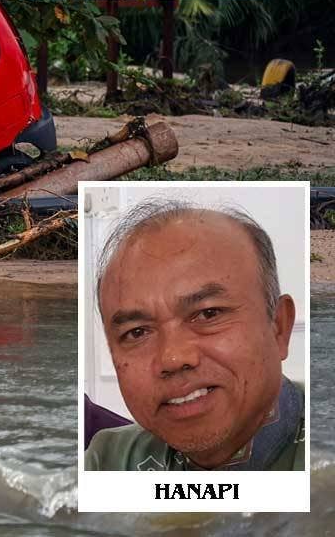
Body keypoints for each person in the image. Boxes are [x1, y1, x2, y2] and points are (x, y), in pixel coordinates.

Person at [84, 199, 304, 471]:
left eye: (208, 314)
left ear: (279, 327)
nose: (173, 358)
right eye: (137, 332)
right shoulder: (108, 461)